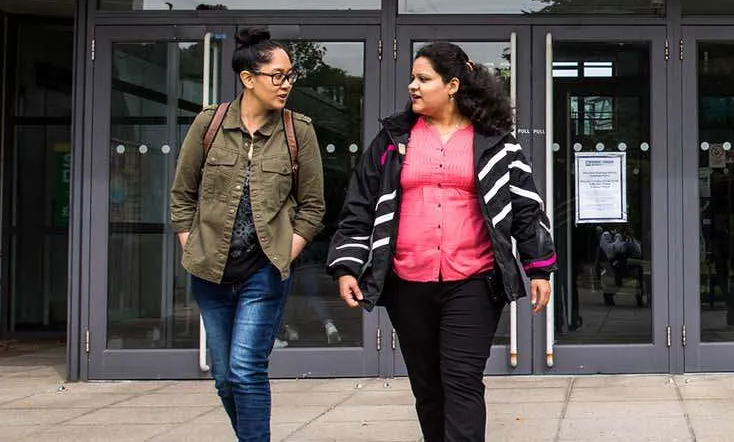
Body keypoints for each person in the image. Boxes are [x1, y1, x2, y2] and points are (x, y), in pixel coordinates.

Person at [328, 42, 555, 442]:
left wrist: (540, 268)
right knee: (428, 386)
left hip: (474, 282)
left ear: (451, 85)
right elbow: (359, 204)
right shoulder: (393, 138)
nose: (412, 86)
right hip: (406, 283)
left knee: (462, 381)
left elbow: (527, 207)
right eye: (412, 79)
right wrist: (347, 264)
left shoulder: (496, 141)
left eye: (423, 79)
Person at [169, 28, 326, 442]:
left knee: (245, 370)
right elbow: (181, 195)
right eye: (277, 75)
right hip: (210, 272)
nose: (286, 84)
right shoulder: (210, 123)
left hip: (264, 271)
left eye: (290, 75)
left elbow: (313, 206)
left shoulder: (298, 131)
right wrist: (191, 245)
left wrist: (288, 251)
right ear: (248, 78)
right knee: (223, 377)